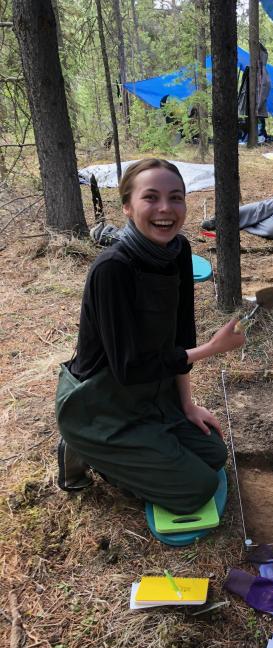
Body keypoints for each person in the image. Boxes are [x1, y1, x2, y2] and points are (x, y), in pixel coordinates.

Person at [56, 159, 245, 514]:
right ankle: (85, 447)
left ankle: (141, 448)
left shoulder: (179, 251)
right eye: (151, 197)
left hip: (151, 396)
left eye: (176, 198)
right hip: (100, 406)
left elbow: (181, 336)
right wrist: (212, 349)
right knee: (196, 490)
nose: (165, 209)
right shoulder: (112, 270)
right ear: (127, 207)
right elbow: (128, 369)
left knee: (215, 454)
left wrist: (187, 405)